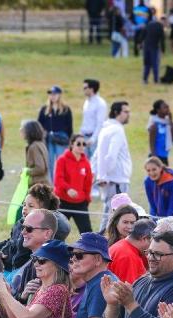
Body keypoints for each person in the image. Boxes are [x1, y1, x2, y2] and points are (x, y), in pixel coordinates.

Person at [29, 232, 115, 318]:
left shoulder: (101, 284)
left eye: (79, 255)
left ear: (98, 259)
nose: (73, 259)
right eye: (72, 255)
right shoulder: (94, 282)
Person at [103, 230, 173, 318]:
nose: (151, 258)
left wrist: (130, 304)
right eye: (149, 252)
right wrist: (112, 304)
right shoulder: (141, 280)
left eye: (158, 254)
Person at [0, 239, 73, 318]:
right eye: (34, 259)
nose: (36, 264)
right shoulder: (40, 290)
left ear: (57, 265)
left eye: (42, 260)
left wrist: (4, 293)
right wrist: (5, 294)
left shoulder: (58, 290)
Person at [93, 101, 131, 232]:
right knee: (116, 216)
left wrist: (101, 175)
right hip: (117, 180)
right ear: (116, 113)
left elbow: (97, 155)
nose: (128, 114)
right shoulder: (117, 130)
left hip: (111, 179)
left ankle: (101, 239)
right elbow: (110, 156)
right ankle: (102, 242)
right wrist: (105, 175)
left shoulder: (106, 129)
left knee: (109, 213)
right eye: (125, 111)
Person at [54, 134, 93, 234]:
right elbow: (58, 180)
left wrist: (87, 199)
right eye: (78, 143)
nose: (81, 146)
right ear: (71, 144)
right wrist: (68, 189)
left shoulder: (86, 163)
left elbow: (88, 183)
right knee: (57, 231)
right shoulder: (62, 160)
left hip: (80, 203)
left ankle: (87, 250)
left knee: (87, 232)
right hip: (63, 202)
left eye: (84, 144)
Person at [38, 86, 73, 178]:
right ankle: (51, 184)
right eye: (50, 94)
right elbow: (39, 124)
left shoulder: (66, 109)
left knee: (60, 161)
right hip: (48, 138)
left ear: (59, 95)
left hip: (61, 138)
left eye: (54, 94)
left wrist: (70, 141)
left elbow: (69, 126)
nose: (52, 96)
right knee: (49, 161)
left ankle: (61, 181)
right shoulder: (44, 109)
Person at [109, 218, 154, 284]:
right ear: (144, 238)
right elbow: (129, 290)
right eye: (153, 242)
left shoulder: (123, 246)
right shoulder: (128, 257)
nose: (154, 247)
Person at [80, 79, 107, 159]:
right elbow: (85, 120)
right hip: (85, 136)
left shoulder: (100, 103)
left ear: (91, 89)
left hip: (94, 138)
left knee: (94, 163)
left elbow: (100, 123)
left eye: (85, 88)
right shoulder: (86, 102)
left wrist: (93, 139)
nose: (83, 90)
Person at [21, 119, 49, 188]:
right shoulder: (41, 144)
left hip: (37, 186)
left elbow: (40, 168)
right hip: (41, 184)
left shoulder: (34, 147)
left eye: (23, 130)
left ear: (29, 132)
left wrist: (26, 171)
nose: (21, 132)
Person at [147, 99, 173, 164]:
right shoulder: (154, 125)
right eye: (165, 107)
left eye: (168, 107)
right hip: (156, 156)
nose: (168, 109)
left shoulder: (168, 123)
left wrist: (171, 120)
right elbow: (151, 144)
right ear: (158, 110)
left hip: (164, 156)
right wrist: (155, 159)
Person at [141, 8, 165, 84]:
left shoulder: (147, 24)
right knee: (155, 63)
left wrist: (139, 43)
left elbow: (143, 35)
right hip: (154, 46)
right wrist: (163, 49)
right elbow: (162, 39)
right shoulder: (159, 25)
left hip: (147, 45)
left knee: (147, 63)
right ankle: (155, 79)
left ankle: (145, 79)